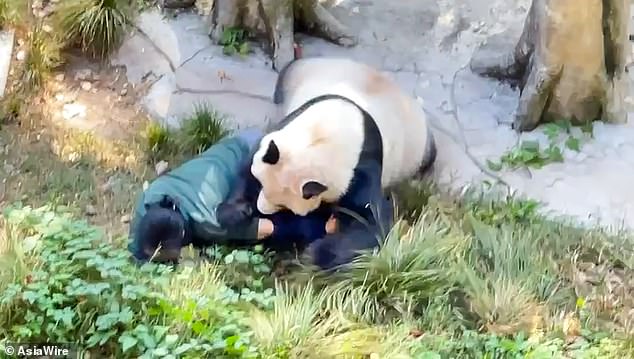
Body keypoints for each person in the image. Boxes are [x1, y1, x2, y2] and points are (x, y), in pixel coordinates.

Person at [127, 128, 336, 264]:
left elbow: (268, 229)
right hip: (236, 141)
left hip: (261, 154)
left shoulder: (210, 222)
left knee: (278, 222)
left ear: (183, 235)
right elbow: (136, 252)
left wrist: (318, 229)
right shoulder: (149, 200)